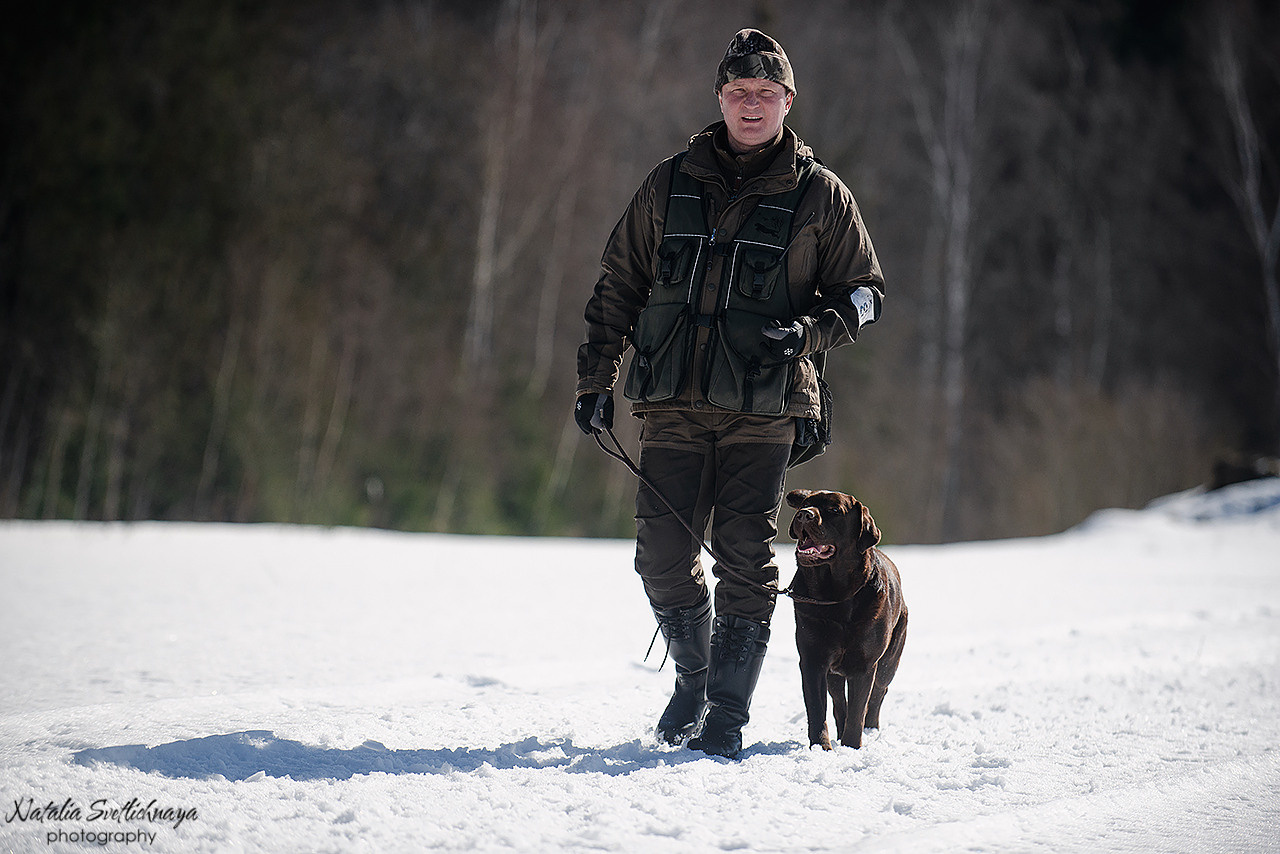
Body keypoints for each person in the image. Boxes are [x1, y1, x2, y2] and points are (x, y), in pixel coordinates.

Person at [574, 28, 884, 759]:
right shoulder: (668, 183)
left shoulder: (821, 196)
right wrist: (596, 380)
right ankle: (695, 673)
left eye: (766, 94)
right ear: (719, 98)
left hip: (765, 408)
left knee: (746, 551)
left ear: (787, 102)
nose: (752, 106)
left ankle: (726, 715)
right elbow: (618, 283)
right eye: (739, 93)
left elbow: (868, 294)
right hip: (673, 403)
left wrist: (811, 332)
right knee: (660, 552)